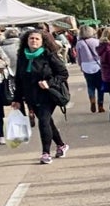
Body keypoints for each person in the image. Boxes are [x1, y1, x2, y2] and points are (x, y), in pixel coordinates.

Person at [11, 29, 69, 164]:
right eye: (31, 38)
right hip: (31, 95)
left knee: (43, 121)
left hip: (48, 94)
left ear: (43, 41)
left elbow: (63, 73)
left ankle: (45, 153)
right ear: (26, 41)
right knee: (47, 122)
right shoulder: (23, 57)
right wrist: (17, 98)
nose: (34, 41)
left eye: (37, 39)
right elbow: (19, 79)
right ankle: (61, 145)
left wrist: (49, 83)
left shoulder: (49, 55)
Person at [74, 24, 105, 113]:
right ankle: (100, 104)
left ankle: (92, 100)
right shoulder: (96, 41)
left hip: (86, 66)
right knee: (100, 86)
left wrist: (80, 65)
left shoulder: (79, 43)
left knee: (90, 85)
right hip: (97, 65)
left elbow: (78, 57)